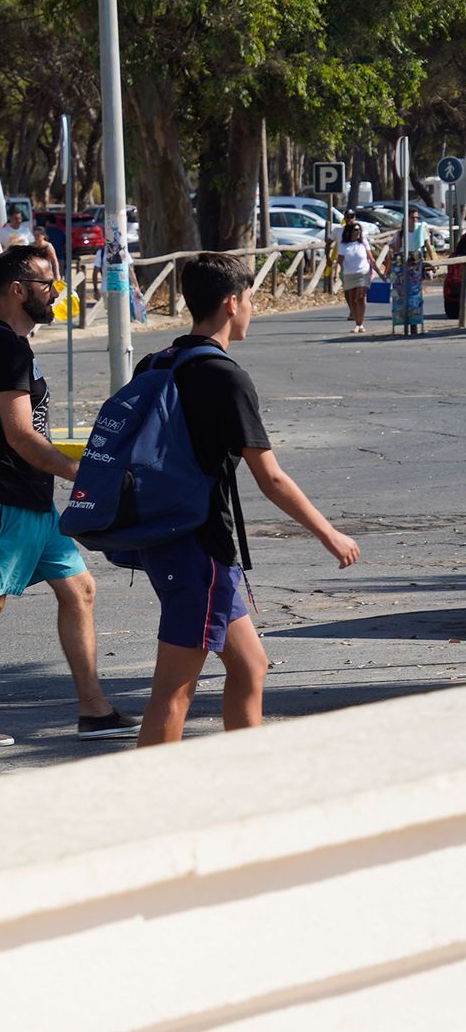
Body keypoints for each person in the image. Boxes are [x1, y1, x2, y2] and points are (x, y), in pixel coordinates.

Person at [130, 253, 360, 747]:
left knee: (250, 664)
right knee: (175, 686)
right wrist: (330, 533)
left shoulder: (158, 361)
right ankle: (146, 800)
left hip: (168, 534)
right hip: (198, 545)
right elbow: (270, 478)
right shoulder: (223, 375)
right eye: (252, 298)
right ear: (232, 303)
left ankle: (246, 777)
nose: (252, 307)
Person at [0, 244, 141, 747]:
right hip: (0, 500)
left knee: (80, 590)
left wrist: (48, 255)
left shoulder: (16, 343)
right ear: (16, 290)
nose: (55, 291)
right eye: (46, 283)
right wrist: (84, 475)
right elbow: (21, 435)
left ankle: (94, 709)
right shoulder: (3, 346)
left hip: (32, 500)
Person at [336, 219, 374, 332]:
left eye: (359, 230)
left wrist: (381, 273)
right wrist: (336, 272)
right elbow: (339, 261)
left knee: (360, 297)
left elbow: (371, 259)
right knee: (353, 300)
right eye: (355, 230)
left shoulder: (363, 243)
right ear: (350, 232)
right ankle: (357, 323)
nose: (358, 232)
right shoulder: (344, 245)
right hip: (349, 274)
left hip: (363, 273)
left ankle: (360, 323)